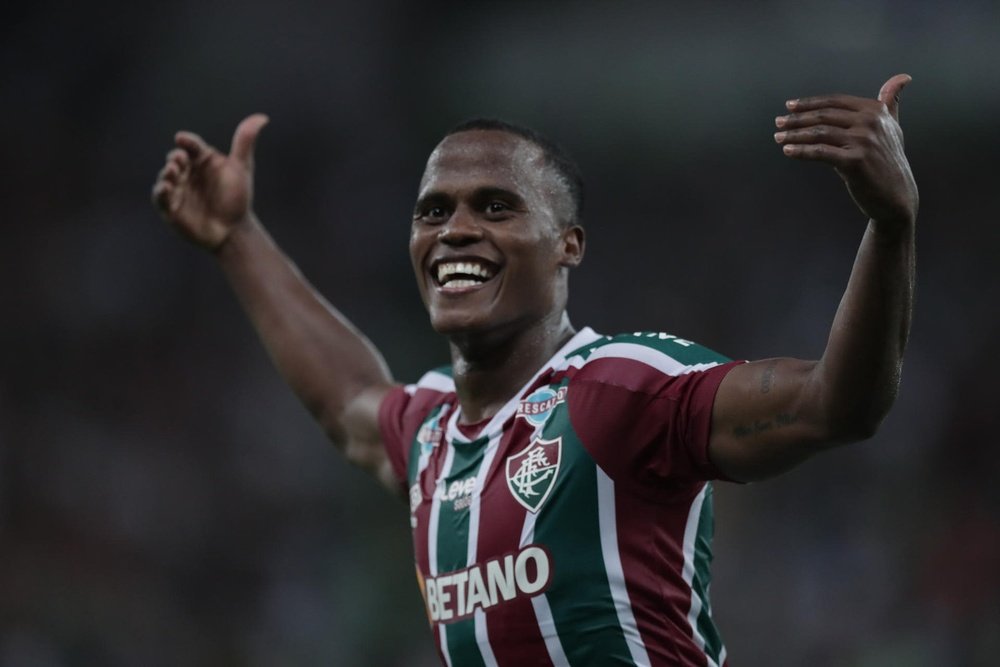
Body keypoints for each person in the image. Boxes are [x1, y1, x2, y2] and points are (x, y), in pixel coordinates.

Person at [151, 73, 917, 666]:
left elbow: (833, 406)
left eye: (495, 207)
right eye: (433, 210)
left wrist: (890, 226)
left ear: (568, 245)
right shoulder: (434, 439)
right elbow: (347, 396)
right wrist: (237, 239)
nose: (455, 230)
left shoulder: (618, 388)